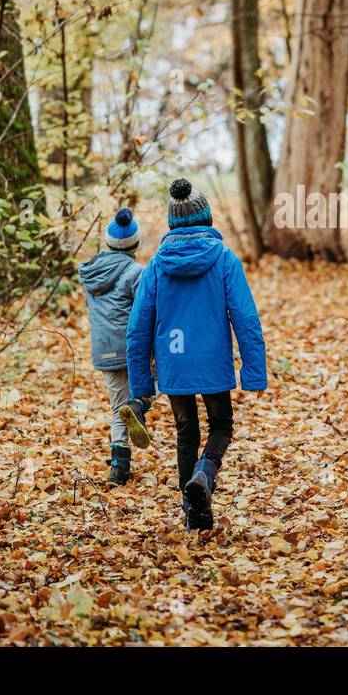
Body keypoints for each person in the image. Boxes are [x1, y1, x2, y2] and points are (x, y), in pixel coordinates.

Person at [125, 178, 267, 531]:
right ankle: (204, 476)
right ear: (206, 217)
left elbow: (138, 327)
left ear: (172, 224)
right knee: (221, 427)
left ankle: (192, 511)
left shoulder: (157, 264)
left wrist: (142, 384)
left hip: (174, 362)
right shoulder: (223, 259)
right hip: (211, 360)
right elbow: (246, 318)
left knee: (185, 430)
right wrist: (253, 372)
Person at [77, 208, 154, 486]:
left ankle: (119, 470)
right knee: (149, 387)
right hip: (132, 347)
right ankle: (139, 405)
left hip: (103, 349)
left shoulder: (89, 272)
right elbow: (147, 311)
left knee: (116, 409)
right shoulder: (137, 272)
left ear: (108, 242)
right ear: (134, 244)